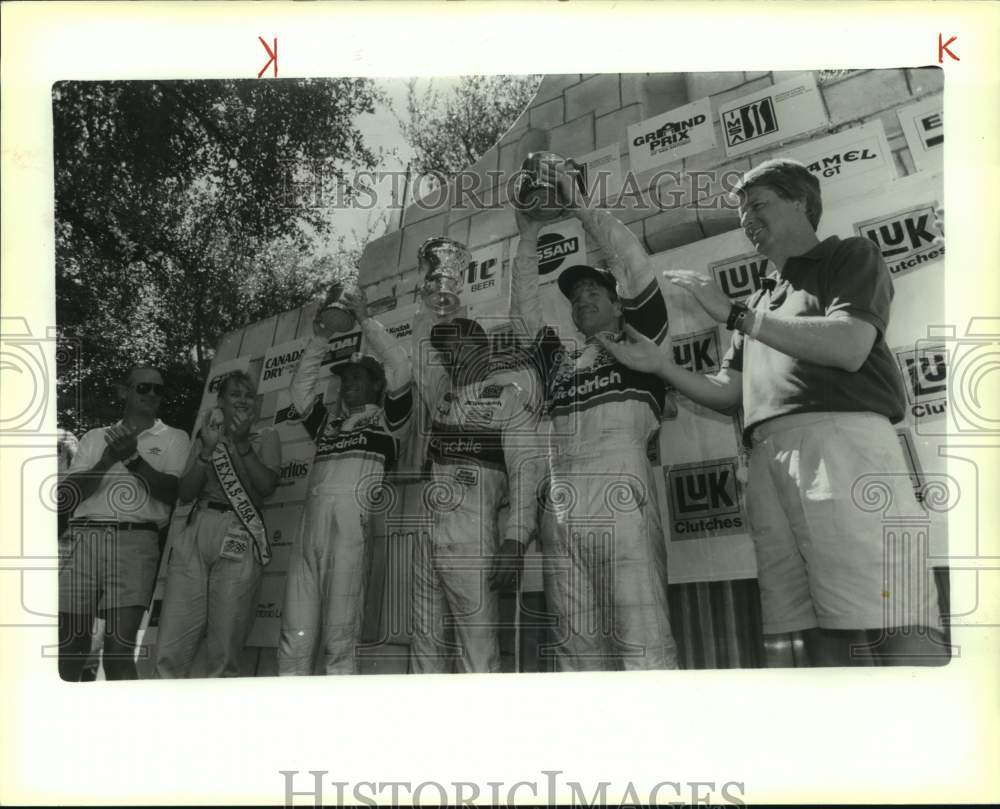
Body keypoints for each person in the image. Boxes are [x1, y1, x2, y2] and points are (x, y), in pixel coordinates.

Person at [598, 158, 945, 666]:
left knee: (891, 605)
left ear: (802, 202)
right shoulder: (763, 295)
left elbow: (850, 344)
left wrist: (739, 315)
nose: (747, 219)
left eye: (758, 205)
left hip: (841, 449)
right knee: (803, 623)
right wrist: (660, 366)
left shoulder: (848, 256)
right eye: (741, 211)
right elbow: (725, 390)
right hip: (767, 459)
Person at [511, 163, 679, 672]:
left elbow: (634, 264)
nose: (582, 299)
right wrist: (528, 233)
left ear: (619, 305)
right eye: (575, 297)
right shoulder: (559, 360)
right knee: (576, 652)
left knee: (641, 639)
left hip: (620, 492)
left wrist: (580, 204)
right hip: (560, 506)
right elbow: (524, 309)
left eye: (594, 294)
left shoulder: (641, 343)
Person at [409, 258, 546, 674]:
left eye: (456, 349)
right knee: (425, 649)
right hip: (426, 537)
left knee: (478, 653)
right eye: (444, 353)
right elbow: (416, 348)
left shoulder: (506, 399)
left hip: (475, 542)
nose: (448, 359)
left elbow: (528, 469)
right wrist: (435, 289)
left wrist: (516, 539)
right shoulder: (443, 399)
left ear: (482, 349)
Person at [278, 288, 414, 675]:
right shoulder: (328, 424)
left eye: (359, 377)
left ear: (376, 385)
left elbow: (401, 366)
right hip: (309, 534)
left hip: (352, 531)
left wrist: (365, 319)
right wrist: (321, 337)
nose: (349, 382)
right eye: (346, 377)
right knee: (294, 636)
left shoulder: (389, 421)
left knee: (340, 640)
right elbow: (300, 392)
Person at [58, 367, 189, 680]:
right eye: (144, 387)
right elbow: (68, 496)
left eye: (159, 390)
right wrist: (106, 460)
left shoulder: (174, 438)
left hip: (136, 541)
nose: (152, 395)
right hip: (83, 540)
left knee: (118, 651)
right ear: (124, 392)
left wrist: (134, 460)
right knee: (72, 647)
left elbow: (174, 494)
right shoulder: (94, 437)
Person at [155, 371, 281, 677]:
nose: (242, 400)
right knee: (171, 641)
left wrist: (241, 445)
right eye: (234, 394)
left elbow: (265, 488)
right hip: (198, 527)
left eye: (248, 395)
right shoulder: (206, 436)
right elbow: (185, 494)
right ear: (220, 401)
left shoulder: (267, 436)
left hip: (239, 529)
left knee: (225, 647)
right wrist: (208, 451)